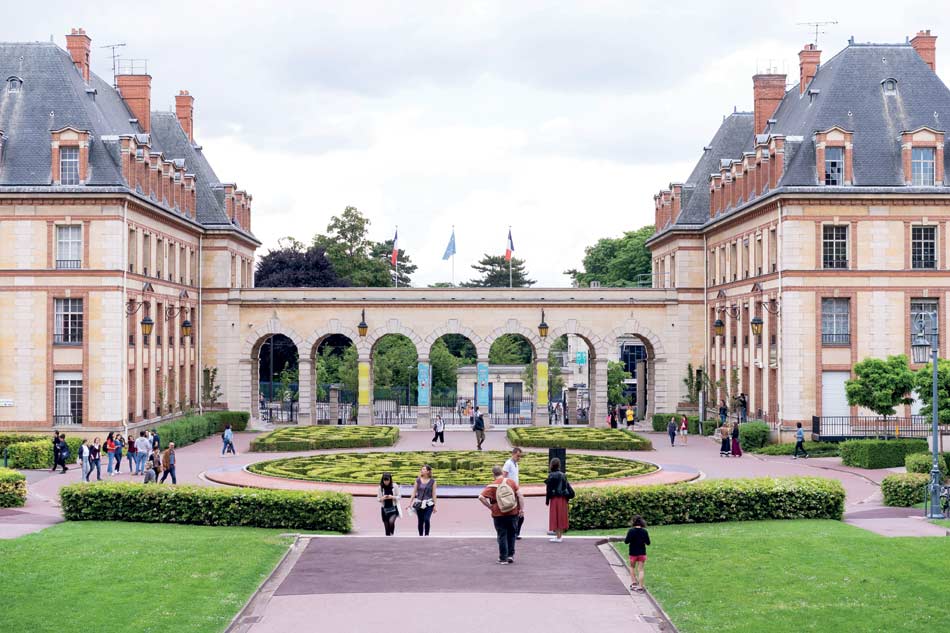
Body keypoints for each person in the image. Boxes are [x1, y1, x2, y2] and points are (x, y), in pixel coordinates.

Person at [479, 465, 525, 564]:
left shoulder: (492, 486)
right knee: (512, 534)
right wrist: (521, 509)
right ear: (502, 473)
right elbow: (520, 496)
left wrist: (490, 507)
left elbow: (481, 497)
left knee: (502, 535)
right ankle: (510, 555)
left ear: (493, 474)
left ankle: (503, 558)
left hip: (498, 513)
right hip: (513, 511)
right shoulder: (511, 482)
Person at [545, 457, 572, 542]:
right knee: (561, 516)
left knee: (555, 516)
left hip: (555, 499)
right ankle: (559, 536)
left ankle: (558, 537)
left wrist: (547, 500)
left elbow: (548, 490)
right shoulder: (563, 475)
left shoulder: (551, 475)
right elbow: (566, 487)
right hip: (563, 498)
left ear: (551, 465)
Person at [406, 464, 437, 536]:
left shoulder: (433, 481)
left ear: (428, 471)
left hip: (429, 503)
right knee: (420, 520)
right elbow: (414, 492)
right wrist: (409, 503)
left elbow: (434, 494)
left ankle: (426, 535)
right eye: (422, 469)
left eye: (424, 469)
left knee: (427, 519)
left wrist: (435, 506)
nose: (422, 470)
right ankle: (420, 535)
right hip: (419, 503)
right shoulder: (418, 480)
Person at [624, 516, 651, 592]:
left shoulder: (631, 531)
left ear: (633, 522)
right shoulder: (644, 531)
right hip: (642, 553)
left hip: (633, 553)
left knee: (632, 567)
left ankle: (633, 583)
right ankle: (640, 586)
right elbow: (648, 543)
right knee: (641, 570)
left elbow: (626, 541)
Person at [503, 447, 524, 539]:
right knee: (513, 512)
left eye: (520, 456)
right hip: (510, 491)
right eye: (518, 456)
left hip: (515, 490)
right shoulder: (508, 463)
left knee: (519, 513)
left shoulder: (515, 464)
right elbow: (503, 477)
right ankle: (512, 533)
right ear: (513, 454)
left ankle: (515, 533)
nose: (519, 458)